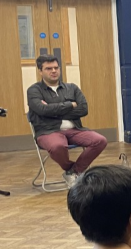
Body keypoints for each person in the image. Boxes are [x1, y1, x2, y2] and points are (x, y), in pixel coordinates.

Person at [26, 55, 108, 188]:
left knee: (100, 140)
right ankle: (73, 170)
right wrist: (70, 105)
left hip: (74, 129)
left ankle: (73, 172)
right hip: (48, 131)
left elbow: (83, 109)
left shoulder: (72, 88)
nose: (53, 71)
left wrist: (52, 110)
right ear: (40, 71)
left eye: (56, 68)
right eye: (48, 68)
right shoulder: (34, 90)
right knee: (58, 146)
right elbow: (42, 110)